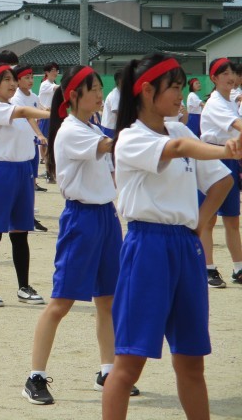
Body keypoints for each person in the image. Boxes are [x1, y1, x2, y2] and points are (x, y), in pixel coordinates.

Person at [101, 53, 239, 420]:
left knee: (192, 361)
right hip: (147, 246)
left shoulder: (179, 129)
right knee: (129, 363)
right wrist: (226, 147)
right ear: (147, 91)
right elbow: (177, 151)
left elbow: (222, 181)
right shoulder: (130, 137)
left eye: (181, 87)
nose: (181, 95)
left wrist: (199, 224)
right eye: (174, 87)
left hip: (185, 247)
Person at [22, 66, 138, 405]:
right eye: (93, 89)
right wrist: (146, 131)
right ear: (73, 96)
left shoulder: (92, 126)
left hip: (106, 217)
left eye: (101, 88)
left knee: (108, 300)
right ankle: (35, 377)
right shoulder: (71, 130)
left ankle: (107, 372)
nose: (100, 94)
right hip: (81, 219)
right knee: (61, 302)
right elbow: (110, 146)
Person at [0, 63, 49, 307]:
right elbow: (24, 111)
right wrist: (52, 114)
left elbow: (26, 114)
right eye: (7, 79)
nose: (12, 83)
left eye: (13, 79)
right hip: (2, 173)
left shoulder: (14, 107)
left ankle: (23, 287)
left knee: (20, 233)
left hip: (23, 171)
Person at [199, 58, 242, 288]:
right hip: (211, 158)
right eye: (224, 73)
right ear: (213, 78)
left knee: (232, 218)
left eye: (232, 72)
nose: (230, 77)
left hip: (230, 158)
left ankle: (239, 268)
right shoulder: (216, 102)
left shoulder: (231, 101)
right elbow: (238, 126)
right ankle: (208, 269)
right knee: (208, 219)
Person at [10, 65, 48, 231]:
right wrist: (39, 133)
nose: (31, 80)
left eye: (32, 77)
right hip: (20, 145)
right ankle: (19, 215)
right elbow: (28, 116)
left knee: (31, 181)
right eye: (26, 77)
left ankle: (29, 215)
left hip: (31, 144)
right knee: (21, 182)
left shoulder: (33, 96)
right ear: (18, 81)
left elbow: (41, 109)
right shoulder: (16, 98)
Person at [38, 62, 59, 183]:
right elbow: (58, 88)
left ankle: (49, 170)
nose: (55, 73)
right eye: (53, 70)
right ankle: (48, 172)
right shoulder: (45, 84)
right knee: (45, 144)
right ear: (46, 72)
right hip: (45, 116)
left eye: (56, 70)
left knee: (52, 144)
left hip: (53, 116)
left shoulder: (53, 84)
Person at [100, 70, 122, 138]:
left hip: (112, 128)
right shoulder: (115, 95)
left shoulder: (120, 93)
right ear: (120, 81)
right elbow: (118, 113)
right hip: (110, 129)